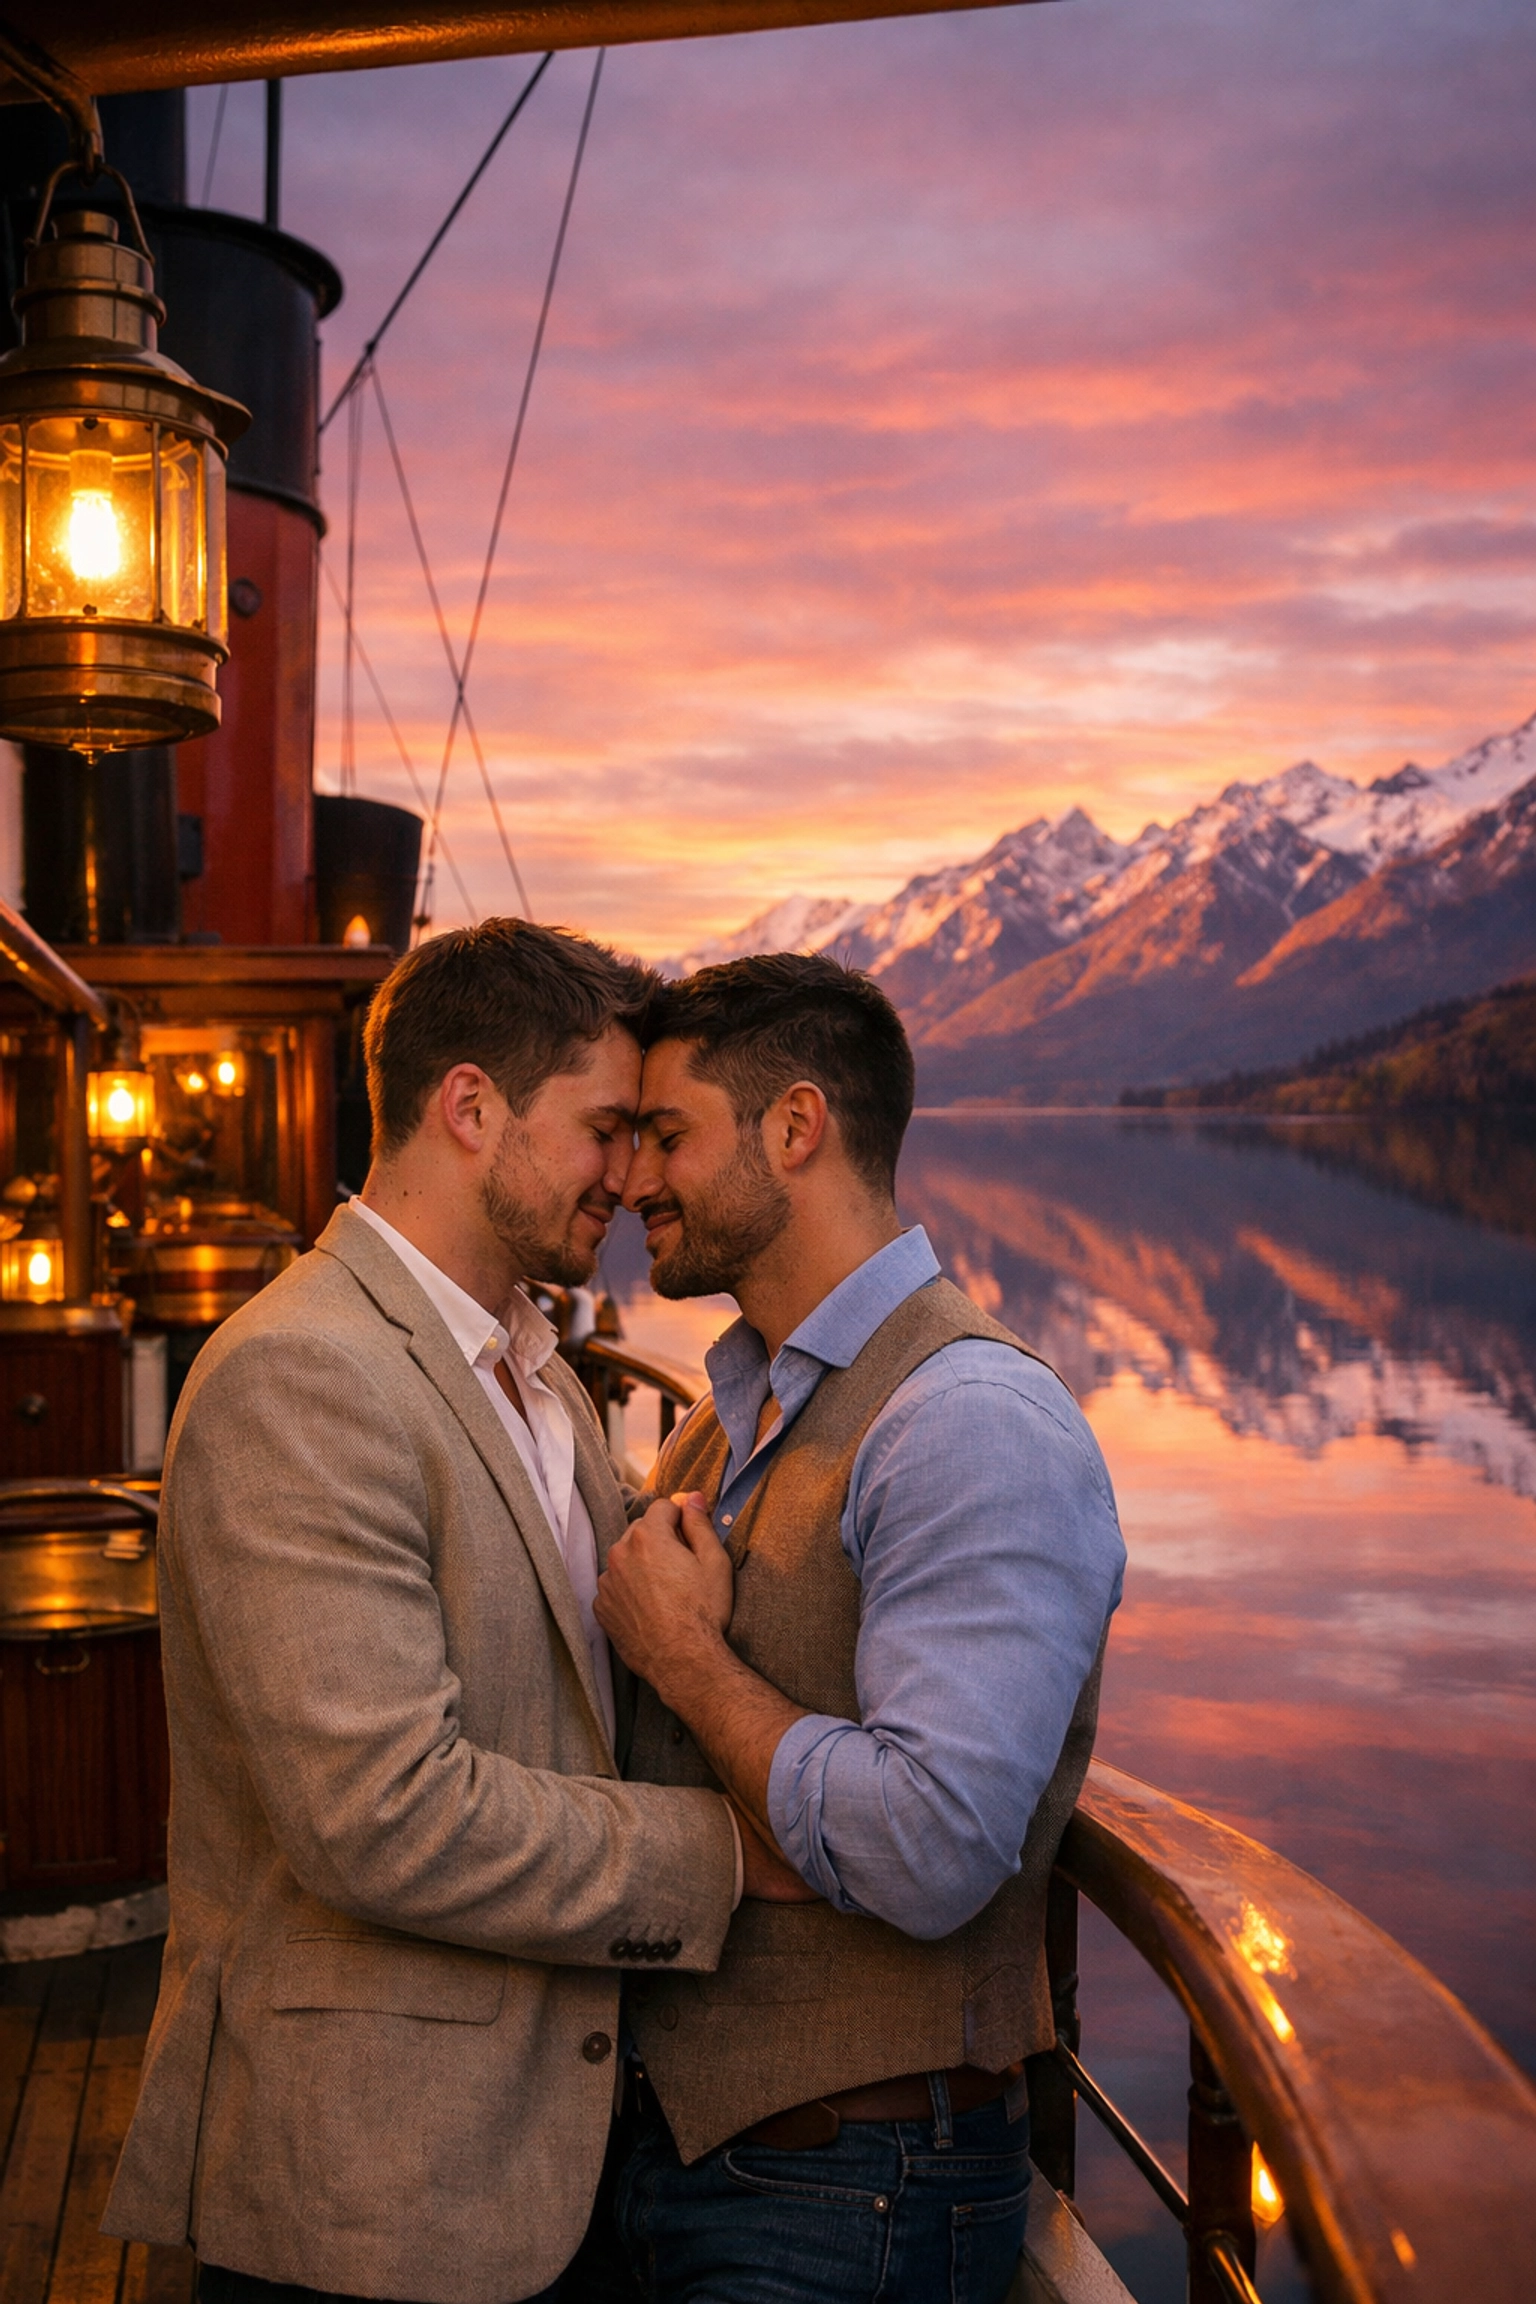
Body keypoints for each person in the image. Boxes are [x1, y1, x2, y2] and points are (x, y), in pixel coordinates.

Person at [104, 920, 794, 2304]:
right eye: (605, 1129)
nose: (633, 1176)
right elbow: (384, 1816)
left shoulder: (531, 1369)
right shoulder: (303, 1376)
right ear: (471, 1107)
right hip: (370, 2196)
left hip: (543, 2159)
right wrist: (731, 1854)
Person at [594, 953, 1126, 2304]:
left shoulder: (967, 1422)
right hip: (689, 2163)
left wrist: (686, 1660)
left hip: (856, 2196)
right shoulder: (727, 1416)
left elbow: (932, 1844)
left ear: (795, 1128)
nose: (631, 1177)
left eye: (667, 1134)